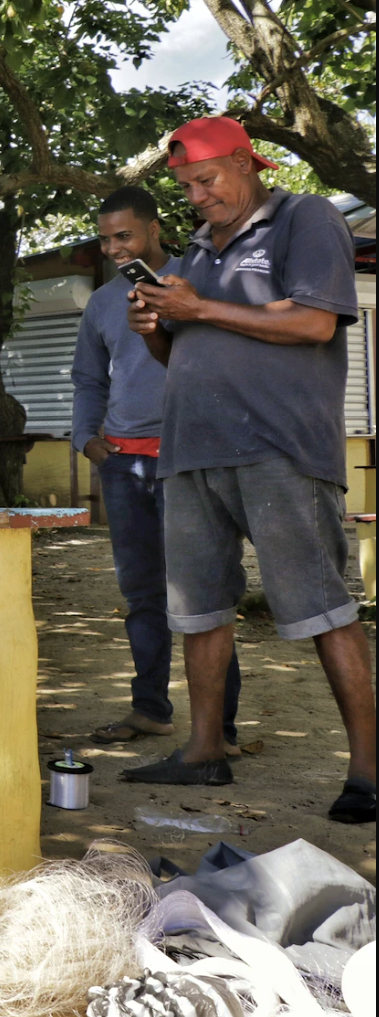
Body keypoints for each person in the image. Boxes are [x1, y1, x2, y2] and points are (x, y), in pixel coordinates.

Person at [123, 116, 373, 823]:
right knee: (199, 609)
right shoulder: (199, 251)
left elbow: (316, 321)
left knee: (322, 607)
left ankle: (369, 768)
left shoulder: (305, 218)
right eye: (185, 187)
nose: (197, 196)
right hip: (192, 449)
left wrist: (198, 306)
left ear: (244, 162)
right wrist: (157, 328)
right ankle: (204, 750)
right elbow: (184, 351)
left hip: (279, 447)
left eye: (205, 179)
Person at [72, 187, 243, 753]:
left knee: (205, 592)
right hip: (123, 466)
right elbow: (88, 379)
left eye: (124, 235)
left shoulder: (196, 282)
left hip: (190, 459)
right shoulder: (102, 303)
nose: (113, 248)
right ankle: (150, 708)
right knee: (143, 594)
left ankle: (220, 728)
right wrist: (87, 439)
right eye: (105, 239)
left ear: (153, 229)